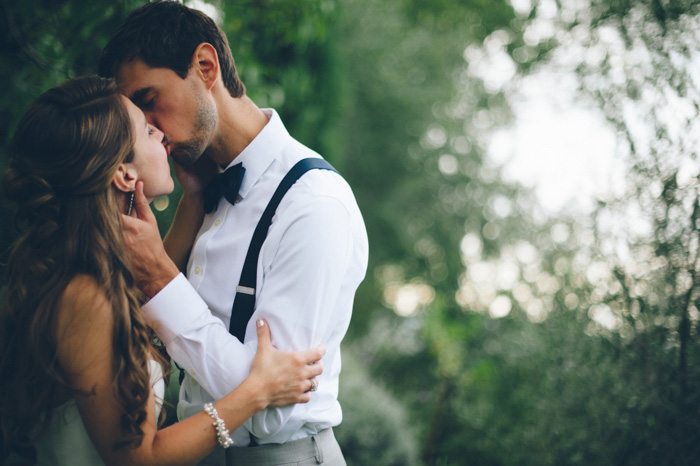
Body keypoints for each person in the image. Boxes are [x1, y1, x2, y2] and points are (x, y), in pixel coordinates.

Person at [0, 76, 325, 466]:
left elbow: (142, 296)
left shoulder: (87, 275)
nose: (162, 133)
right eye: (146, 128)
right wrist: (257, 390)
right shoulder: (86, 296)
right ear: (123, 174)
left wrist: (193, 200)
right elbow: (142, 457)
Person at [98, 1, 369, 465]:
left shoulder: (312, 204)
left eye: (148, 102)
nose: (150, 132)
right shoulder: (198, 191)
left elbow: (271, 413)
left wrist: (163, 280)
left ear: (206, 66)